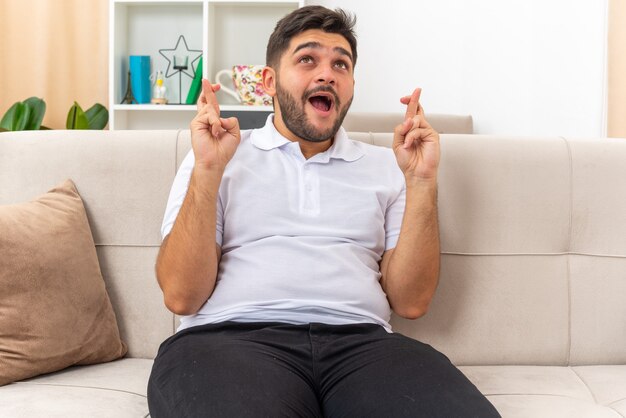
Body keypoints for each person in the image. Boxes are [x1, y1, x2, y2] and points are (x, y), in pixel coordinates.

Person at [148, 5, 500, 418]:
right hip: (230, 341)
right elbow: (181, 295)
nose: (327, 73)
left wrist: (421, 181)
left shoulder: (391, 166)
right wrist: (209, 169)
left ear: (350, 86)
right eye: (307, 59)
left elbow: (411, 302)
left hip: (363, 347)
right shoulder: (216, 157)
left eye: (341, 64)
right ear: (269, 82)